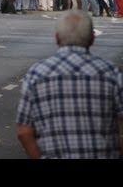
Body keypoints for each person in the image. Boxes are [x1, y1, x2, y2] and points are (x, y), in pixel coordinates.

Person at [16, 10, 123, 159]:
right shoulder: (110, 73)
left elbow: (24, 131)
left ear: (57, 38)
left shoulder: (37, 74)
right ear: (92, 39)